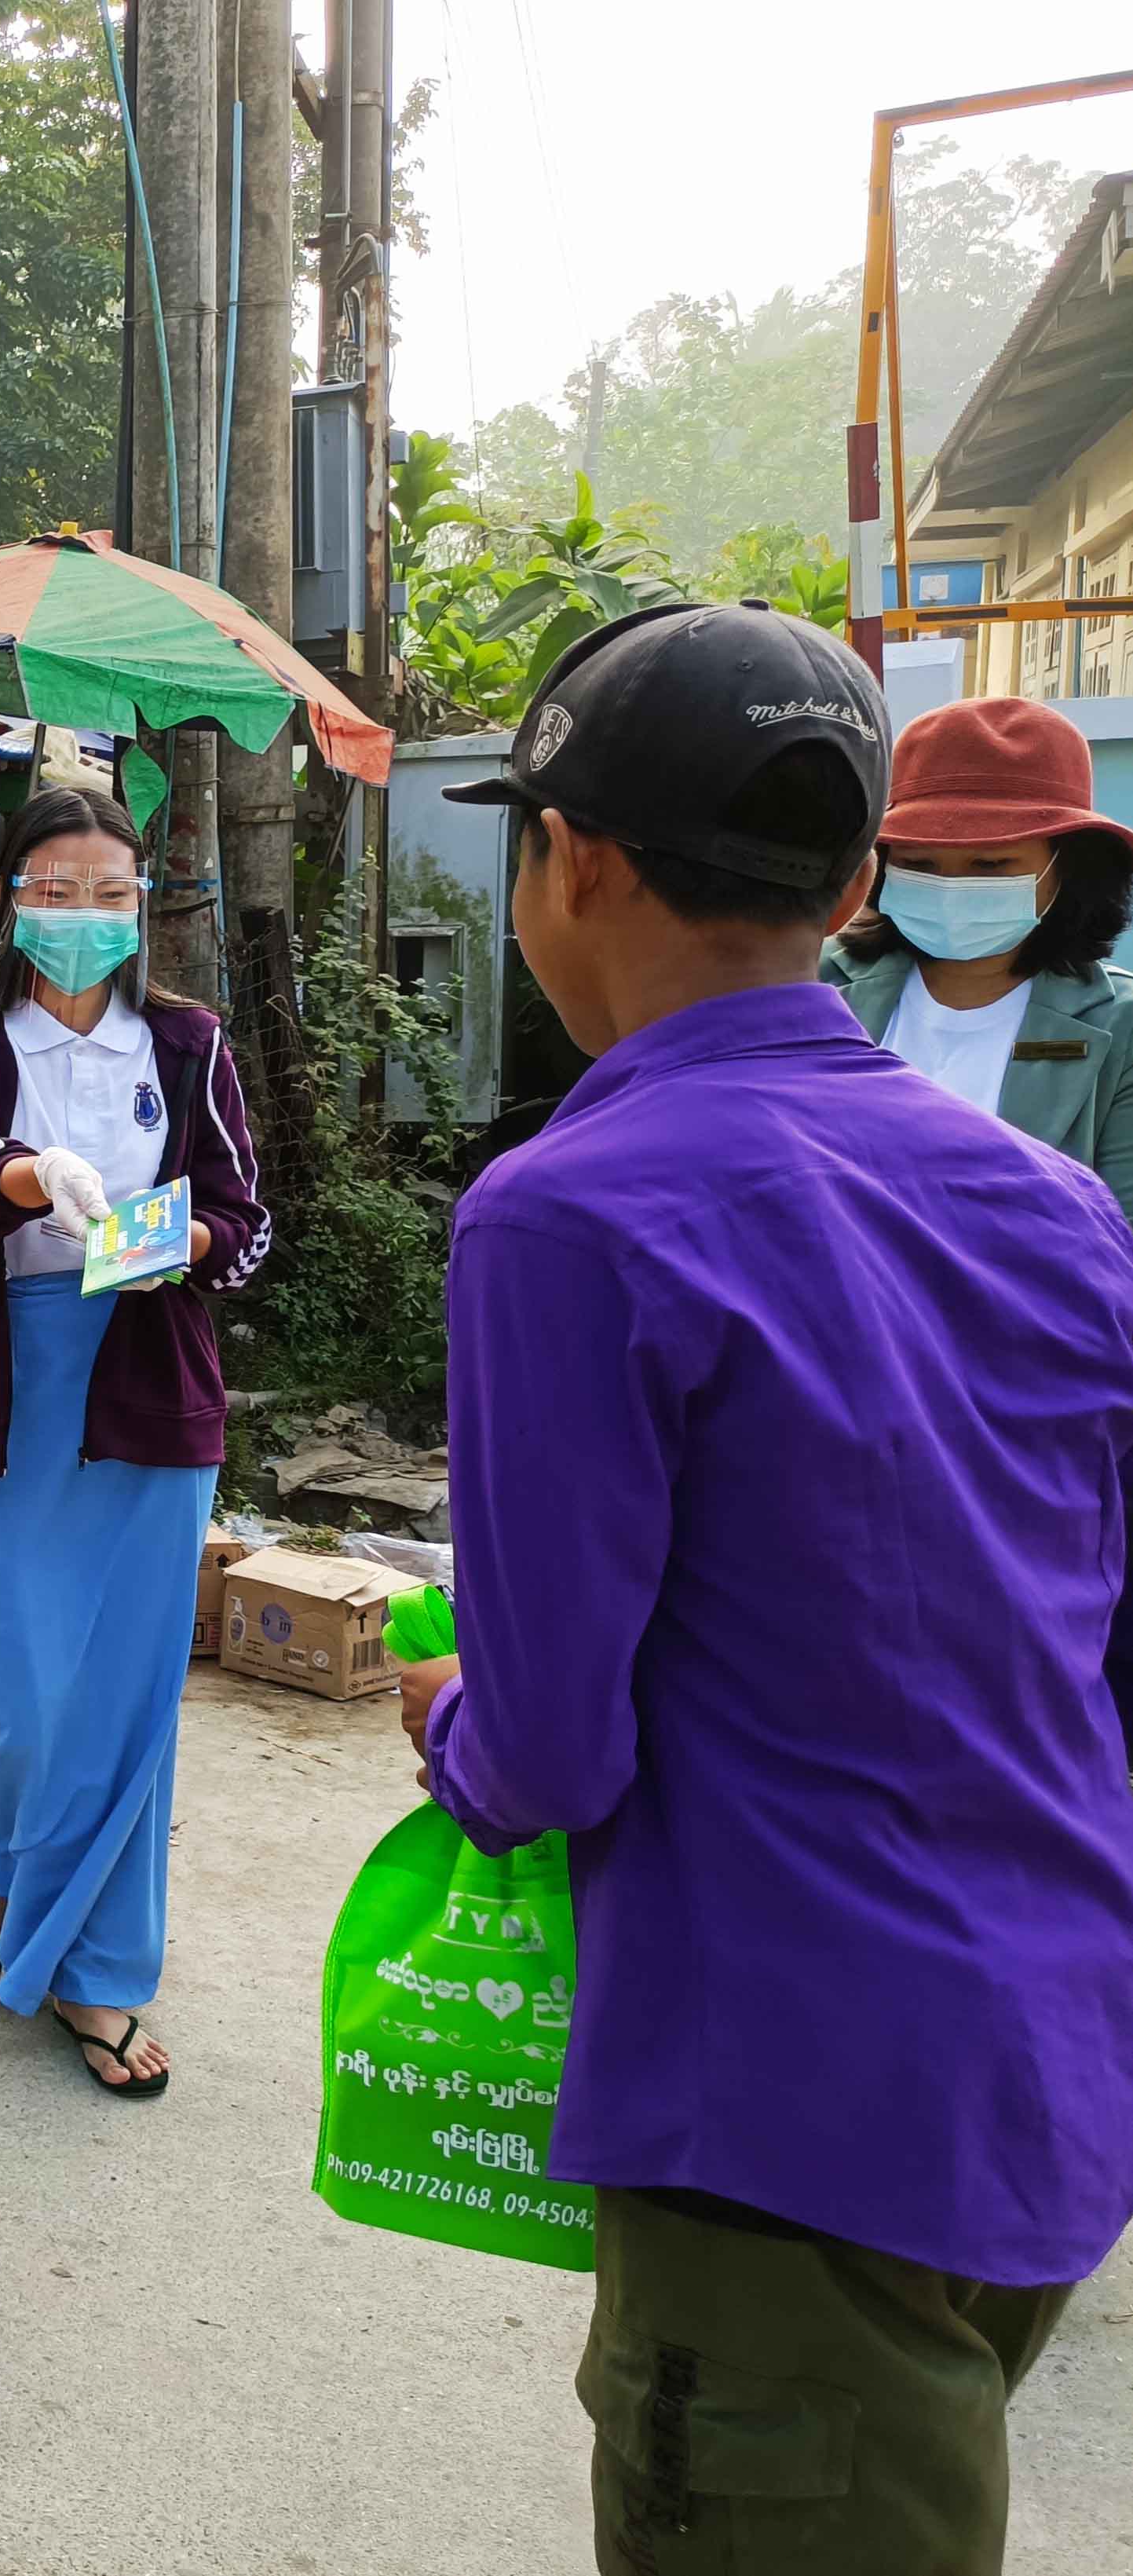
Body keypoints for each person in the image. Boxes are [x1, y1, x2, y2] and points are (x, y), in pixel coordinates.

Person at [399, 602, 1133, 2576]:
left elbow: (545, 1747)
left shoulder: (564, 1210)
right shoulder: (1049, 1202)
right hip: (1041, 2067)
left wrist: (449, 1724)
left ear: (579, 862)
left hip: (778, 2119)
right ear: (849, 880)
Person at [0, 785, 267, 2095]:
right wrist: (32, 1178)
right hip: (10, 1387)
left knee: (122, 1703)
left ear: (141, 907)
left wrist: (166, 1240)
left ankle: (100, 1975)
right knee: (14, 1695)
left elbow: (247, 1216)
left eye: (112, 893)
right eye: (57, 890)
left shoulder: (187, 1042)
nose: (86, 916)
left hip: (150, 1380)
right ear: (7, 902)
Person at [821, 694, 1133, 1218]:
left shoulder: (1121, 1026)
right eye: (920, 862)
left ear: (1067, 867)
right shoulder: (814, 985)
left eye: (989, 863)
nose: (952, 886)